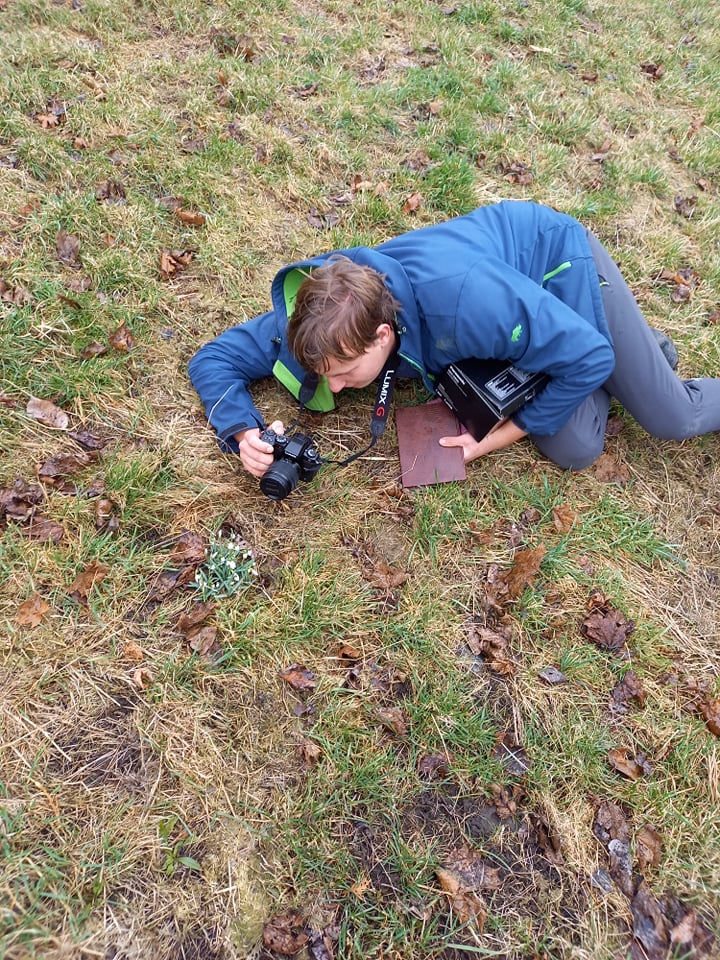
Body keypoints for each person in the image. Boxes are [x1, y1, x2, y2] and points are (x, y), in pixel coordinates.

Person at [189, 200, 720, 479]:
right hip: (516, 313)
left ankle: (641, 356)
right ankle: (640, 359)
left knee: (671, 417)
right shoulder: (322, 320)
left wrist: (489, 440)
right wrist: (243, 435)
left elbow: (590, 357)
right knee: (576, 444)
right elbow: (214, 359)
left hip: (553, 268)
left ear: (382, 333)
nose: (335, 385)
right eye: (325, 372)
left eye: (346, 372)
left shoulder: (465, 303)